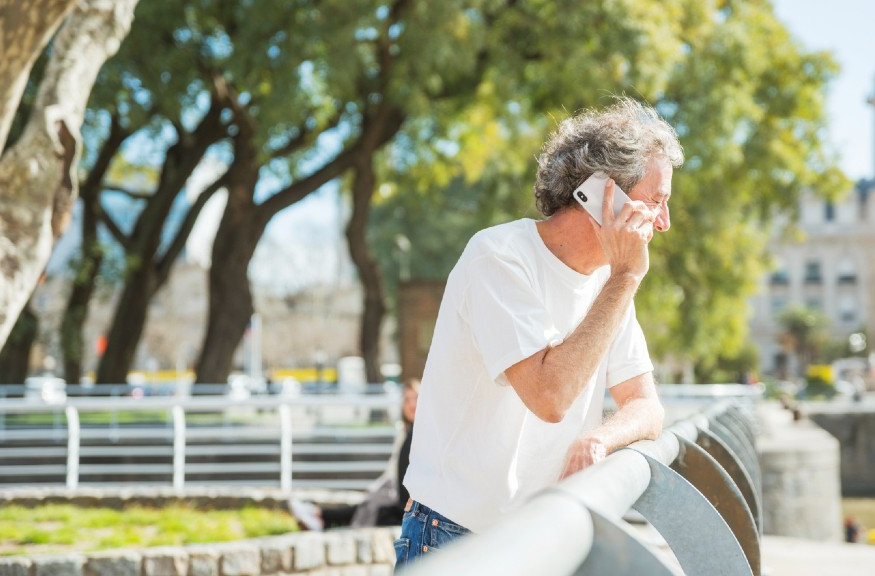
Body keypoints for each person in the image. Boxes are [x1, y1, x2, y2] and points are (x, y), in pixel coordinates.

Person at [395, 98, 682, 568]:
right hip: (456, 538)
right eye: (657, 201)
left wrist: (600, 440)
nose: (665, 222)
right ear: (604, 195)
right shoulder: (498, 257)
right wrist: (627, 278)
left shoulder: (607, 285)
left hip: (544, 535)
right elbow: (551, 396)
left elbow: (648, 407)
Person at [289, 379, 419, 531]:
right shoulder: (404, 433)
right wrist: (377, 487)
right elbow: (393, 469)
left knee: (372, 509)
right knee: (369, 505)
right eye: (407, 399)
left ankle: (319, 516)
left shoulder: (419, 435)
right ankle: (319, 516)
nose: (411, 405)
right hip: (395, 492)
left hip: (408, 501)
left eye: (415, 398)